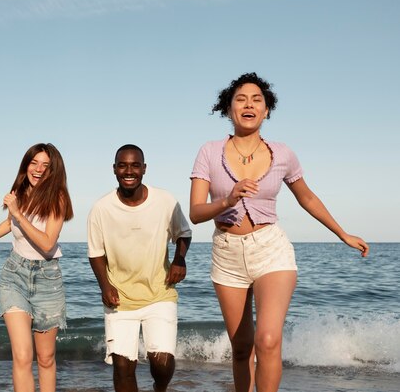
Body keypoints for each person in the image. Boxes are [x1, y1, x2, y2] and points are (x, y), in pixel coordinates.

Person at [189, 72, 369, 392]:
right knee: (242, 347)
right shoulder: (209, 151)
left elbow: (307, 197)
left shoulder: (282, 153)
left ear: (267, 110)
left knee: (268, 340)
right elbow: (195, 212)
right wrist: (228, 199)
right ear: (229, 109)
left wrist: (342, 233)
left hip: (271, 248)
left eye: (257, 99)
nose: (249, 104)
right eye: (241, 99)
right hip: (227, 253)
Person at [0, 143, 73, 392]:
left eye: (45, 165)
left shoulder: (58, 198)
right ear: (26, 165)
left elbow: (47, 243)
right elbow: (9, 224)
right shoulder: (20, 193)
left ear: (54, 171)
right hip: (14, 276)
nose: (38, 169)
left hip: (47, 279)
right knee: (21, 356)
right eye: (34, 163)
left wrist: (18, 214)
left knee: (45, 358)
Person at [87, 144, 192, 392]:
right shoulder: (101, 208)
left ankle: (160, 388)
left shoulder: (165, 201)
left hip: (159, 293)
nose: (129, 171)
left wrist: (179, 259)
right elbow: (95, 253)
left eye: (135, 165)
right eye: (122, 165)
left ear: (144, 169)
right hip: (120, 299)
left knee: (162, 363)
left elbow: (184, 233)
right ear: (114, 169)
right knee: (123, 368)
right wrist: (105, 285)